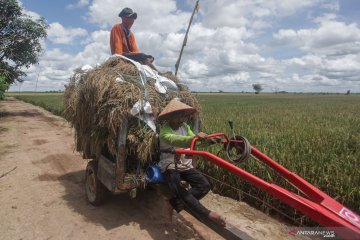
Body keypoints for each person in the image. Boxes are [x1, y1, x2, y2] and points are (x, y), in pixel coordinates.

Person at [158, 99, 226, 227]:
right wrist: (195, 137)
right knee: (179, 189)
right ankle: (208, 214)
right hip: (170, 165)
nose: (182, 119)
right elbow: (181, 141)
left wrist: (210, 140)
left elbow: (195, 141)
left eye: (183, 115)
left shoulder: (185, 127)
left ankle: (172, 203)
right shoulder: (164, 132)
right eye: (178, 116)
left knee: (205, 185)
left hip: (184, 164)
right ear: (170, 117)